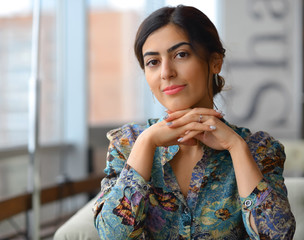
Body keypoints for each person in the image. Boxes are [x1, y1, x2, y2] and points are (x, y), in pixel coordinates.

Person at [93, 5, 296, 239]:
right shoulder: (127, 144)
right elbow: (112, 236)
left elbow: (279, 236)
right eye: (153, 62)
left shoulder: (259, 149)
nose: (166, 72)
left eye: (181, 55)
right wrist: (146, 143)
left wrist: (237, 148)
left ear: (215, 62)